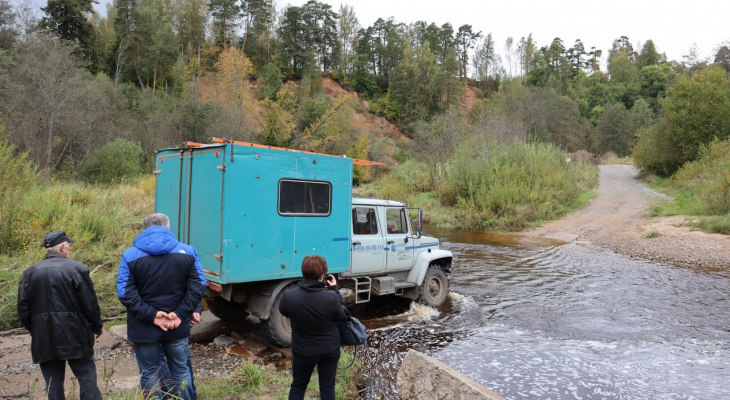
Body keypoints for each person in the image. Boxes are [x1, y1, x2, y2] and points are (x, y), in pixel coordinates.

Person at [116, 213, 205, 400]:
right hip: (176, 325)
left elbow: (125, 293)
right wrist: (180, 314)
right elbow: (198, 287)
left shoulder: (129, 255)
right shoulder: (188, 252)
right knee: (181, 370)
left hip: (143, 326)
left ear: (145, 228)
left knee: (149, 373)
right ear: (167, 227)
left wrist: (153, 315)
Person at [17, 230, 103, 400]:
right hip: (75, 332)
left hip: (43, 335)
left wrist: (35, 328)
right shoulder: (76, 268)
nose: (69, 248)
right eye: (68, 245)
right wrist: (97, 326)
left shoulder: (29, 273)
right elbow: (89, 304)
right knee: (86, 376)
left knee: (53, 383)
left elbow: (22, 309)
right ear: (63, 247)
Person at [279, 255, 345, 400]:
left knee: (298, 386)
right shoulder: (331, 298)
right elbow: (340, 316)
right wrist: (334, 289)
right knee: (328, 388)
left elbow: (284, 311)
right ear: (322, 276)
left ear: (303, 273)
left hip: (302, 351)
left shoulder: (289, 297)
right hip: (329, 350)